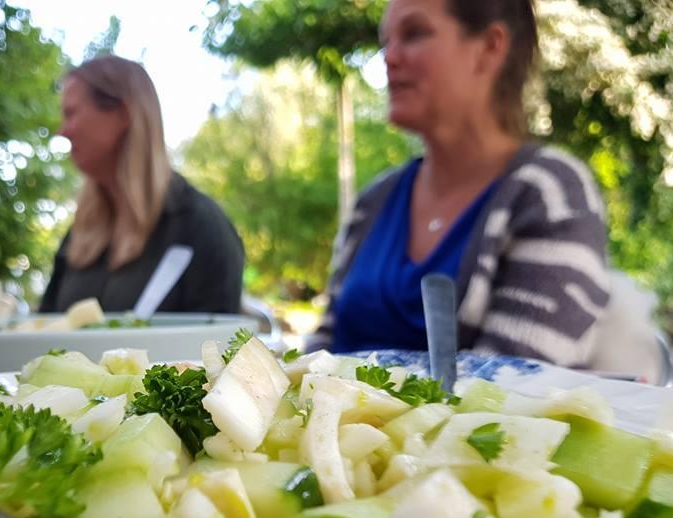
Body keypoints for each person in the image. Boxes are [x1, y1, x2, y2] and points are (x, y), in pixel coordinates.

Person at [308, 0, 610, 368]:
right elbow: (319, 351)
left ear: (490, 46)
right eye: (386, 41)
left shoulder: (548, 192)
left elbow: (508, 393)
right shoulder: (374, 200)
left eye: (415, 33)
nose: (389, 57)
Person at [39, 55, 244, 315]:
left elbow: (220, 349)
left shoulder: (201, 227)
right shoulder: (79, 235)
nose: (63, 131)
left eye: (71, 114)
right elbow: (45, 329)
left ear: (123, 113)